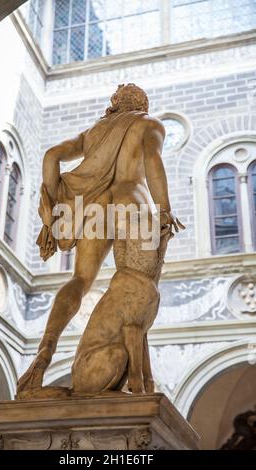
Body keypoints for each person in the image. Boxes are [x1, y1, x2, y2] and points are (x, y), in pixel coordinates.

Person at [16, 83, 183, 396]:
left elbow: (52, 157)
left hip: (92, 208)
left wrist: (52, 218)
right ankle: (142, 383)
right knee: (138, 291)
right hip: (130, 202)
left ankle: (44, 353)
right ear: (142, 104)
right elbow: (153, 164)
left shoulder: (94, 132)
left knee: (80, 279)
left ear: (115, 104)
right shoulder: (149, 124)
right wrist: (166, 210)